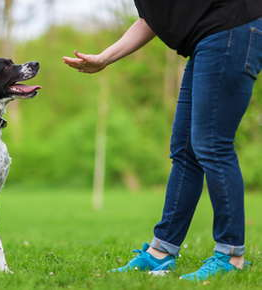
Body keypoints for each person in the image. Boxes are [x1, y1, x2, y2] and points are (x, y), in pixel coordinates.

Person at [63, 0, 261, 281]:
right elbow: (151, 21)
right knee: (185, 151)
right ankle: (162, 251)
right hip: (208, 40)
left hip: (231, 29)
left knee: (212, 145)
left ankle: (231, 255)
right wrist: (104, 57)